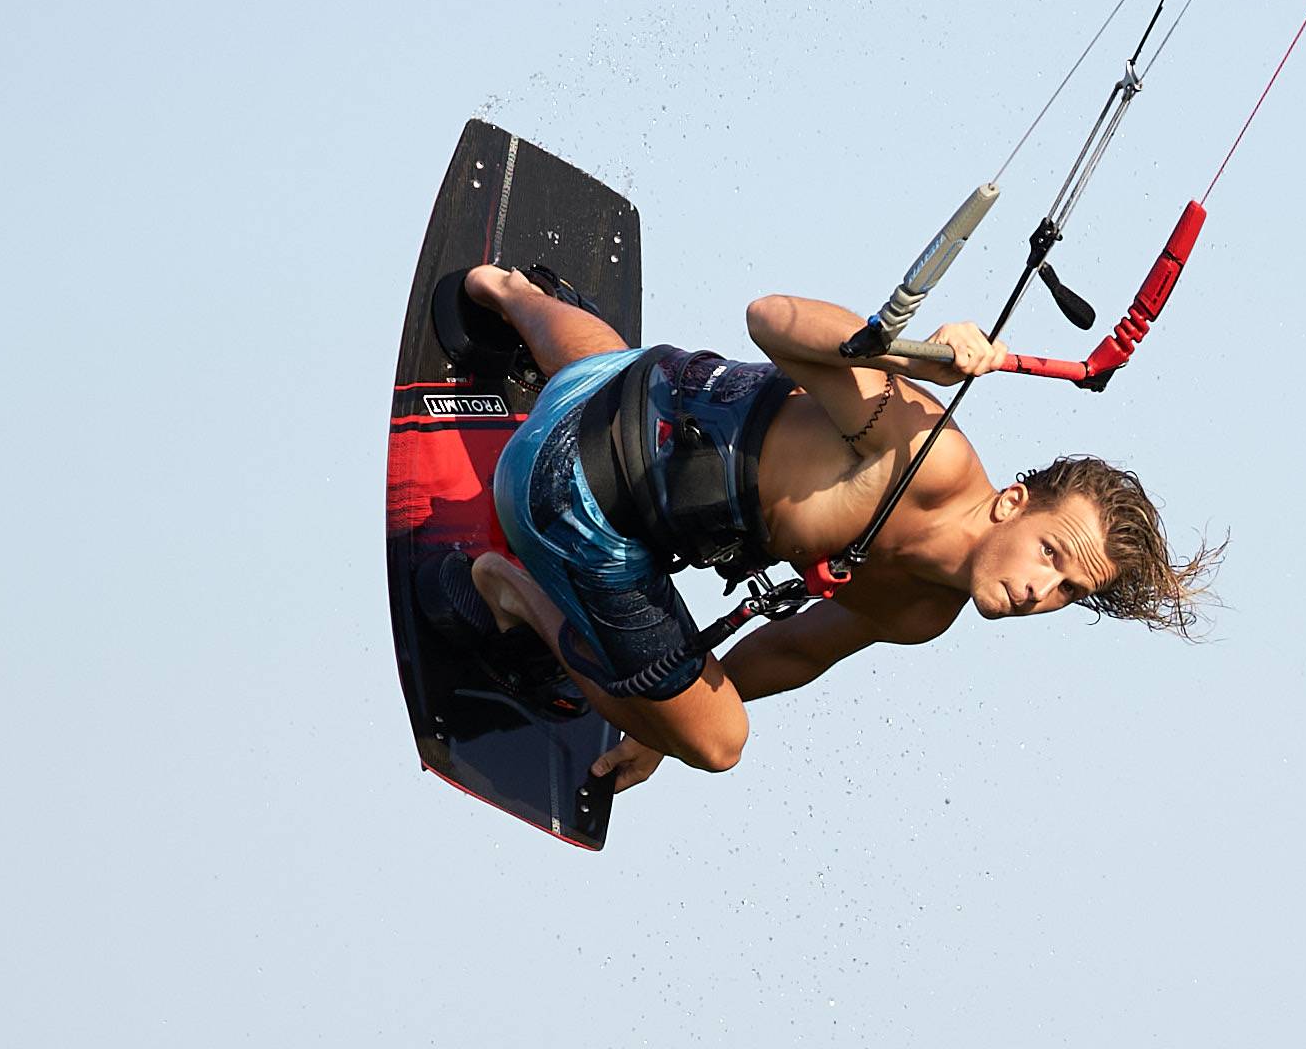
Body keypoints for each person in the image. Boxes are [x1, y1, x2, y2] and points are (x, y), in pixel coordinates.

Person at [445, 264, 1217, 796]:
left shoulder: (921, 611)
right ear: (1015, 502)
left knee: (625, 374)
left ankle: (511, 292)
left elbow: (796, 648)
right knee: (719, 745)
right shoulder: (925, 450)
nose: (1041, 589)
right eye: (1051, 554)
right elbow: (770, 320)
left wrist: (666, 718)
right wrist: (915, 358)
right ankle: (509, 593)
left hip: (614, 393)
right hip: (562, 503)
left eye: (1067, 591)